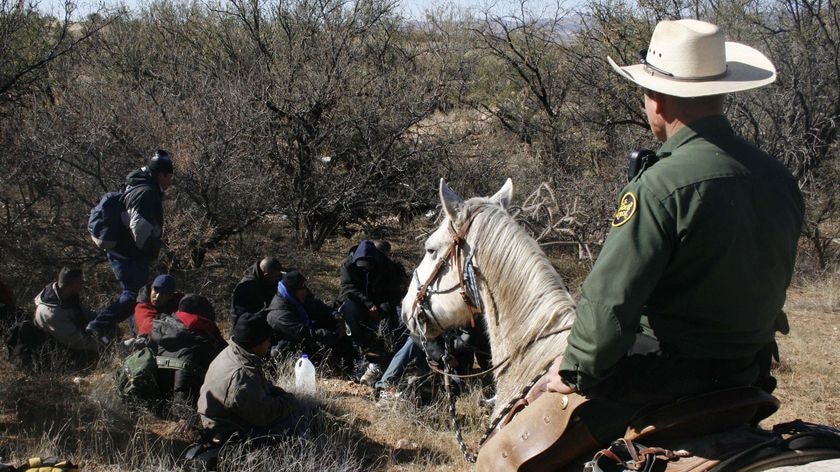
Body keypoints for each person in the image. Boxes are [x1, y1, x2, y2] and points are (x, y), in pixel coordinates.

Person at [536, 19, 804, 461]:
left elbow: (609, 307)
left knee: (507, 458)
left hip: (663, 382)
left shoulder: (659, 187)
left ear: (656, 101)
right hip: (747, 375)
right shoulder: (779, 178)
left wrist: (574, 372)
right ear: (721, 94)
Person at [87, 150, 175, 342]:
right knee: (131, 296)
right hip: (128, 253)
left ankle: (135, 334)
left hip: (120, 248)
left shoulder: (138, 182)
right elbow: (140, 230)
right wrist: (151, 251)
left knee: (134, 295)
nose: (170, 181)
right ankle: (96, 327)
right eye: (169, 176)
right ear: (161, 174)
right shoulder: (147, 193)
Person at [197, 312, 302, 441]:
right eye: (267, 340)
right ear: (256, 345)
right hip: (225, 432)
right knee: (292, 421)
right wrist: (290, 401)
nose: (269, 344)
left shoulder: (233, 351)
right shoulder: (242, 374)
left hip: (221, 419)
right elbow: (264, 415)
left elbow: (260, 387)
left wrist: (278, 394)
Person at [337, 240, 406, 383]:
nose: (365, 270)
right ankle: (361, 350)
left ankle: (387, 358)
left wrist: (382, 308)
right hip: (358, 302)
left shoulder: (387, 266)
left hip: (381, 303)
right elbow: (347, 288)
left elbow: (394, 291)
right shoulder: (348, 265)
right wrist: (367, 304)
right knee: (348, 308)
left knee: (395, 320)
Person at [150, 294, 226, 419]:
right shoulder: (198, 344)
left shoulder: (163, 327)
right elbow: (183, 387)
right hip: (178, 409)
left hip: (156, 400)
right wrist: (186, 419)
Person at [264, 270, 355, 372]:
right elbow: (305, 333)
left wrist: (338, 319)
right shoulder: (279, 314)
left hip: (306, 337)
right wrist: (335, 335)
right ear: (293, 290)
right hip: (291, 347)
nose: (306, 291)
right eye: (302, 288)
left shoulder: (295, 298)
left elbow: (320, 308)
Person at [33, 267, 100, 358]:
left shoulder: (65, 295)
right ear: (73, 285)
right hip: (61, 353)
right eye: (80, 282)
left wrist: (105, 317)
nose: (82, 284)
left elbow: (85, 314)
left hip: (75, 337)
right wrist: (103, 345)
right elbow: (76, 341)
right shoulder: (52, 314)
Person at [230, 257, 284, 328]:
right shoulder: (246, 289)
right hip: (246, 327)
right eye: (276, 277)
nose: (278, 279)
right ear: (266, 275)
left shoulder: (269, 277)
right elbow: (241, 317)